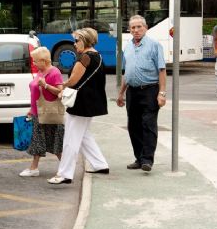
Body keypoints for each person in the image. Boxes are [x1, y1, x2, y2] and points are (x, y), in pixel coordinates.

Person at [48, 28, 109, 185]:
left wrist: (61, 86)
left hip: (81, 104)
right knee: (84, 137)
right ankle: (100, 164)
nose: (74, 44)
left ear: (85, 40)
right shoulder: (98, 56)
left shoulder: (86, 57)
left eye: (77, 41)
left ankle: (65, 174)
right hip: (91, 102)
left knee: (71, 139)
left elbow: (73, 81)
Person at [116, 15, 167, 172]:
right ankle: (139, 158)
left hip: (150, 90)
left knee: (148, 124)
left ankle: (147, 160)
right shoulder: (128, 47)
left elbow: (162, 70)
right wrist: (121, 93)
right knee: (133, 126)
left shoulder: (154, 45)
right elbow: (127, 72)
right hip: (132, 91)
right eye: (133, 27)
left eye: (139, 27)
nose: (136, 30)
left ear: (145, 28)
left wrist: (162, 93)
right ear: (129, 30)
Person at [19, 47, 64, 177]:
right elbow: (35, 93)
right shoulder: (40, 72)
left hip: (48, 113)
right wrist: (31, 109)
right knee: (38, 140)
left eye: (35, 61)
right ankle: (34, 168)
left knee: (54, 142)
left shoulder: (54, 72)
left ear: (43, 61)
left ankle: (65, 167)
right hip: (37, 112)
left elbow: (60, 91)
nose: (33, 63)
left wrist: (45, 85)